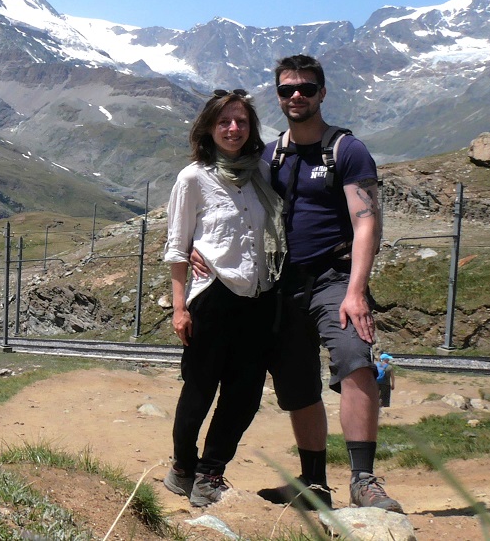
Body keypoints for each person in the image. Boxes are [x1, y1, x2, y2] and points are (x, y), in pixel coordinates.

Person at [192, 54, 402, 513]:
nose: (297, 96)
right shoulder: (269, 154)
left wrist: (356, 291)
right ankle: (313, 483)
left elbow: (367, 222)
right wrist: (197, 245)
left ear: (322, 92)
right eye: (287, 90)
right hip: (283, 283)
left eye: (306, 88)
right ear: (278, 95)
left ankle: (364, 481)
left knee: (354, 359)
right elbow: (223, 197)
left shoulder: (346, 150)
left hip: (334, 278)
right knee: (295, 383)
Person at [162, 88, 285, 507]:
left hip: (258, 296)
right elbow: (178, 248)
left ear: (251, 129)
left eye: (242, 122)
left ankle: (210, 473)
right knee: (198, 391)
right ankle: (182, 466)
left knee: (245, 395)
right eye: (224, 122)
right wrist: (179, 309)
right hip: (212, 297)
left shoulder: (261, 174)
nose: (233, 129)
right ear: (209, 129)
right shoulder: (193, 177)